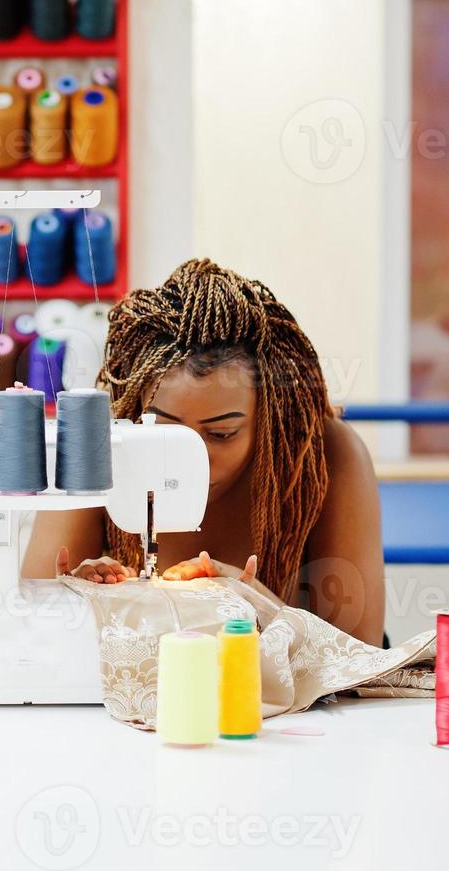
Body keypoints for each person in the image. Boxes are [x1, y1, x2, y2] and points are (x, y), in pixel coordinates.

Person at [24, 259, 385, 644]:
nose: (191, 458)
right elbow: (27, 633)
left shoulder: (326, 456)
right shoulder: (102, 448)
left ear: (268, 415)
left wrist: (262, 609)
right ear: (134, 411)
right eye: (165, 429)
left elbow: (360, 658)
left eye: (221, 433)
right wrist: (72, 608)